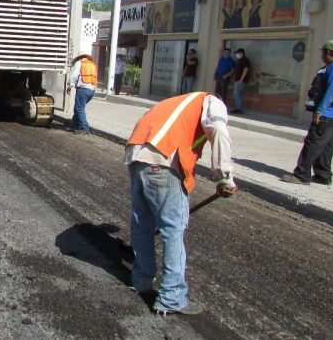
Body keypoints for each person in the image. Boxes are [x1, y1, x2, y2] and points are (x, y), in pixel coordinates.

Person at [124, 91, 237, 315]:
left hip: (136, 156)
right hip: (161, 159)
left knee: (142, 223)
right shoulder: (212, 101)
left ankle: (141, 280)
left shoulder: (179, 102)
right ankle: (172, 296)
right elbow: (219, 131)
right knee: (172, 228)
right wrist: (226, 177)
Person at [282, 40, 333, 185]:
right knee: (325, 144)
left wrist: (320, 110)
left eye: (323, 52)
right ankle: (323, 175)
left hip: (327, 114)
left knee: (313, 142)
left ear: (329, 53)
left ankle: (301, 175)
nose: (322, 55)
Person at [67, 54, 98, 134]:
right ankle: (74, 125)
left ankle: (84, 128)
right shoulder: (92, 64)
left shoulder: (79, 63)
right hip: (91, 90)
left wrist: (70, 86)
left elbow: (74, 75)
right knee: (78, 107)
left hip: (83, 89)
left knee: (79, 109)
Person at [231, 48, 251, 114]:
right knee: (239, 95)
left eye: (237, 53)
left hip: (240, 81)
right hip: (238, 80)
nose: (237, 54)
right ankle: (239, 109)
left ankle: (238, 109)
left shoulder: (245, 60)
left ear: (241, 53)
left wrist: (241, 79)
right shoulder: (240, 60)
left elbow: (246, 70)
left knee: (236, 94)